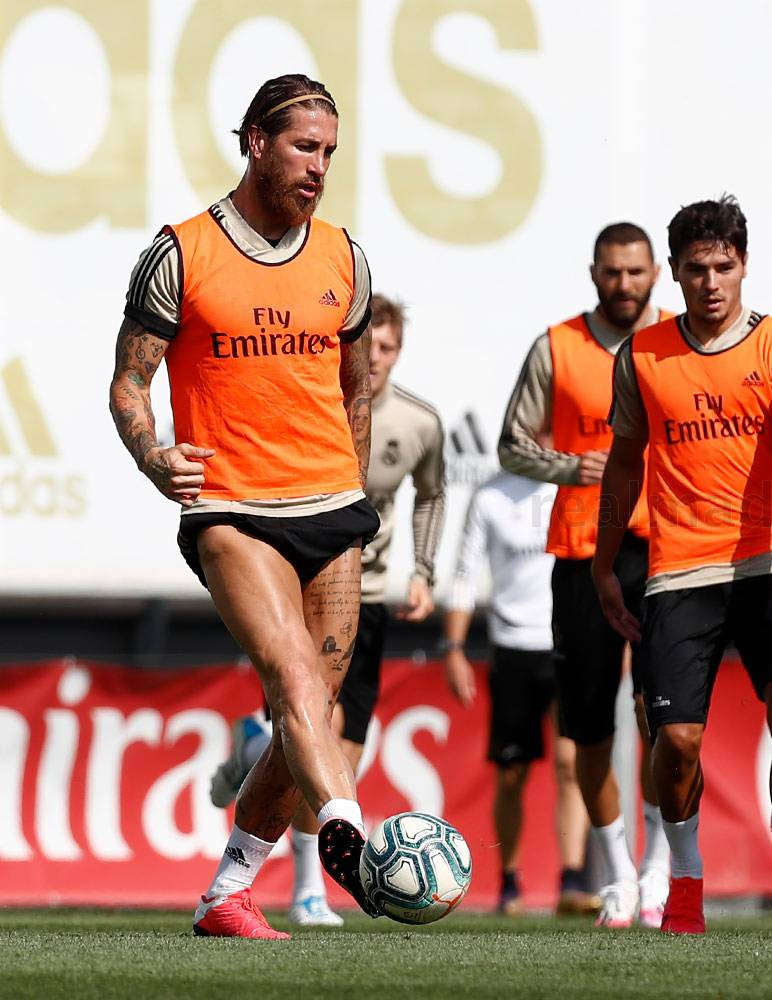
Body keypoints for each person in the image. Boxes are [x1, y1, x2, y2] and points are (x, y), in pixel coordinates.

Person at [108, 74, 380, 938]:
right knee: (296, 681)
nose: (319, 167)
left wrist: (355, 480)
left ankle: (227, 891)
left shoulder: (344, 254)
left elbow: (357, 386)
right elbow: (127, 383)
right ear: (255, 142)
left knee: (316, 717)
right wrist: (155, 456)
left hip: (331, 505)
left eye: (330, 152)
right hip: (233, 507)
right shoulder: (182, 252)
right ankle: (356, 841)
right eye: (305, 146)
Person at [593, 195, 772, 936]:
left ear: (744, 266)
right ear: (673, 272)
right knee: (676, 744)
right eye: (697, 268)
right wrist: (606, 566)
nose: (711, 281)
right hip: (680, 570)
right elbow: (621, 465)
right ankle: (685, 882)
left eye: (725, 267)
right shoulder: (641, 356)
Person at [204, 293, 446, 927]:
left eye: (388, 348)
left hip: (366, 595)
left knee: (338, 750)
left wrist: (422, 570)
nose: (376, 359)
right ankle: (311, 888)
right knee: (309, 715)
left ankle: (257, 755)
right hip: (293, 580)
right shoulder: (313, 411)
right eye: (371, 346)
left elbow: (432, 497)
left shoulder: (419, 423)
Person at [497, 223, 674, 927]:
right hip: (581, 550)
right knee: (590, 728)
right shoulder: (557, 346)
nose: (624, 284)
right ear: (593, 272)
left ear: (654, 271)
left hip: (666, 550)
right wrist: (572, 467)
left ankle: (661, 869)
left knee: (668, 726)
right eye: (612, 272)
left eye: (635, 271)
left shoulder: (678, 341)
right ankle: (617, 875)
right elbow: (512, 444)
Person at [440, 468, 599, 917]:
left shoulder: (575, 486)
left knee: (573, 763)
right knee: (512, 773)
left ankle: (573, 879)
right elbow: (465, 573)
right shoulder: (490, 494)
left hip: (569, 644)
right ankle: (509, 884)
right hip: (512, 649)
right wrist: (453, 647)